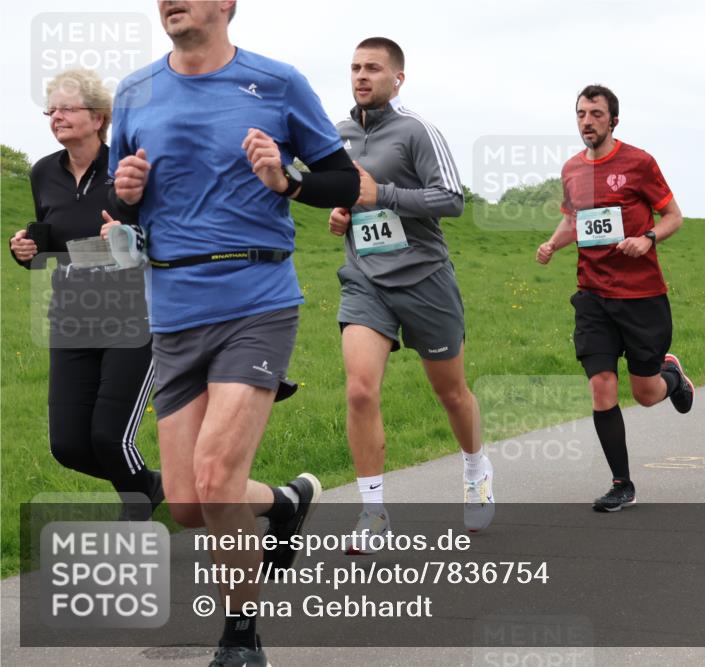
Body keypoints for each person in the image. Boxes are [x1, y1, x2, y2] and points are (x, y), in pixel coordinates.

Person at [108, 2, 359, 665]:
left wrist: (287, 177)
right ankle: (282, 504)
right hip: (172, 310)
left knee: (217, 479)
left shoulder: (276, 83)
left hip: (256, 300)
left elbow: (344, 179)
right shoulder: (134, 91)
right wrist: (126, 192)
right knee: (189, 502)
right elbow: (122, 205)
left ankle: (241, 637)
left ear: (227, 6)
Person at [328, 37, 493, 546]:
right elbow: (343, 194)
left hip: (424, 279)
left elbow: (451, 199)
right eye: (356, 67)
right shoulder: (337, 134)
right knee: (359, 389)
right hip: (365, 281)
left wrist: (384, 195)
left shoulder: (417, 130)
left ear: (397, 78)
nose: (362, 75)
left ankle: (475, 470)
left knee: (450, 393)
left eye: (373, 68)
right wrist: (343, 212)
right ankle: (373, 511)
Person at [8, 69, 162, 520]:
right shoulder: (43, 173)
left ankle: (139, 510)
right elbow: (57, 243)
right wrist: (26, 249)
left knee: (110, 438)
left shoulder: (128, 170)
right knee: (69, 445)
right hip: (72, 317)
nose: (56, 117)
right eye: (50, 110)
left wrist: (128, 235)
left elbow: (165, 236)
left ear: (98, 117)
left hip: (134, 315)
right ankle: (155, 485)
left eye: (66, 108)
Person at [536, 84, 695, 512]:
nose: (587, 121)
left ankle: (673, 377)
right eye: (581, 114)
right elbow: (574, 220)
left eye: (596, 114)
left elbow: (674, 216)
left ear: (613, 121)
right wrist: (553, 244)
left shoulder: (639, 163)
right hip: (592, 295)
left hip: (642, 295)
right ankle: (622, 483)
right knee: (601, 386)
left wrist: (647, 239)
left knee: (645, 393)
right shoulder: (571, 169)